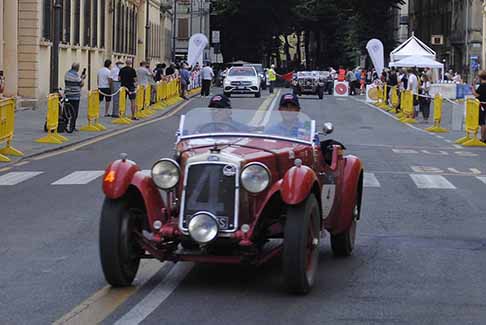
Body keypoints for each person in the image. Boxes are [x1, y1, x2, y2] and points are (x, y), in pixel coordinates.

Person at [64, 63, 86, 131]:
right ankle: (72, 127)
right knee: (74, 112)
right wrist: (82, 78)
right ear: (77, 68)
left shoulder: (67, 74)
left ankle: (65, 125)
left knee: (67, 111)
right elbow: (81, 84)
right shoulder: (76, 75)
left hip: (68, 94)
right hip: (75, 96)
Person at [471, 70, 486, 143]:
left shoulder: (482, 86)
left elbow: (475, 94)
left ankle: (483, 138)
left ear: (480, 78)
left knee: (483, 122)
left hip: (483, 105)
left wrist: (473, 85)